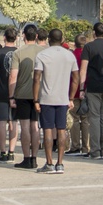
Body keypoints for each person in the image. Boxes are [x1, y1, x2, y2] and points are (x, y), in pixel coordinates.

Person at [32, 27, 79, 174]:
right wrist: (71, 97)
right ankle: (60, 163)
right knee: (61, 130)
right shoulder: (69, 56)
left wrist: (35, 99)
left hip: (47, 97)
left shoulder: (42, 55)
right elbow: (76, 78)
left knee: (47, 130)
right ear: (62, 39)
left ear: (49, 40)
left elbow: (37, 78)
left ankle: (49, 163)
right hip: (62, 98)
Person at [9, 24, 45, 169]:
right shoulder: (43, 52)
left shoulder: (18, 52)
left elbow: (13, 76)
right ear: (36, 36)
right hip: (39, 94)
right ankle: (35, 157)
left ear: (23, 36)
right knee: (35, 126)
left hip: (22, 93)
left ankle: (27, 158)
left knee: (24, 126)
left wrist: (11, 96)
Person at [79, 21, 103, 160]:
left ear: (94, 33)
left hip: (92, 86)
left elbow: (83, 69)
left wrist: (81, 87)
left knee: (94, 118)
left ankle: (95, 150)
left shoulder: (88, 47)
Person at [0, 27, 18, 162]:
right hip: (16, 92)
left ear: (4, 38)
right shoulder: (20, 52)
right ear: (16, 38)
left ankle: (2, 152)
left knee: (1, 123)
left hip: (0, 91)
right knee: (14, 122)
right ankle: (11, 151)